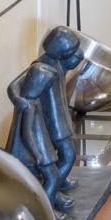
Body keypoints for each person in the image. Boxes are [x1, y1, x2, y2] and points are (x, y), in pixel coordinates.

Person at [7, 27, 84, 209]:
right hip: (54, 123)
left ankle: (55, 187)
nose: (76, 54)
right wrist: (21, 101)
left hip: (55, 120)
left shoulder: (47, 64)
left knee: (64, 160)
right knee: (68, 156)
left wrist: (19, 99)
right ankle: (52, 193)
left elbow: (13, 86)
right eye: (72, 50)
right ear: (62, 52)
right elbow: (15, 89)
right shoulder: (42, 72)